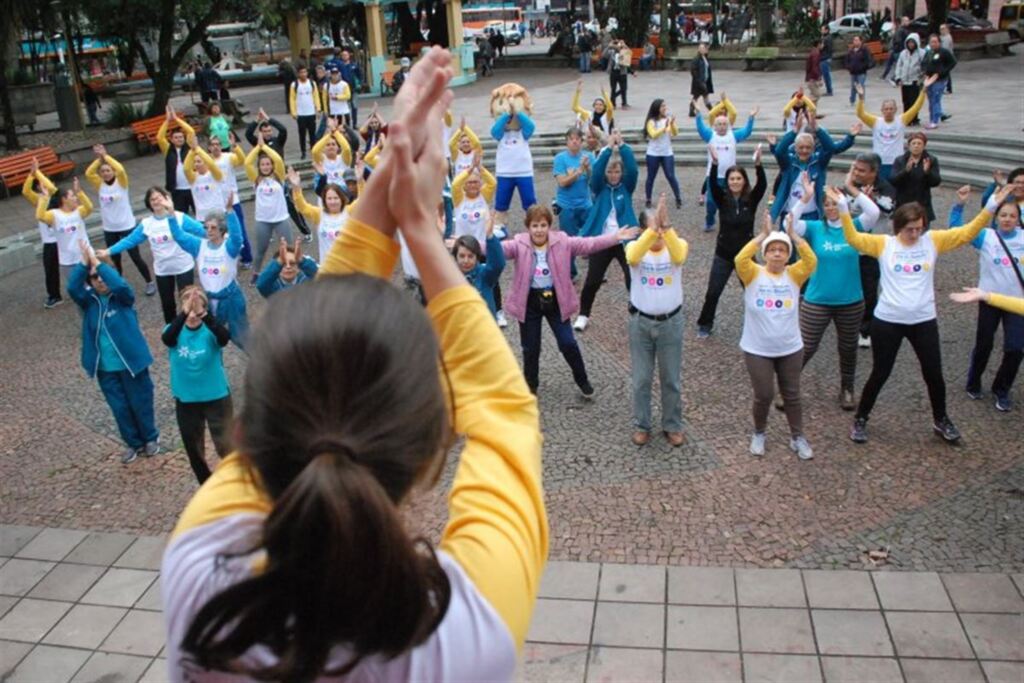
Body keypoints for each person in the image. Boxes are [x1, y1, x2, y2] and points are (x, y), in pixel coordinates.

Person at [161, 48, 546, 682]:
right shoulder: (460, 638)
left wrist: (390, 183)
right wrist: (420, 224)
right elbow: (507, 413)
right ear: (431, 460)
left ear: (242, 443)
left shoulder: (201, 579)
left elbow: (502, 416)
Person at [836, 185, 1010, 444]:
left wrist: (990, 208)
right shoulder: (884, 244)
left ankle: (941, 419)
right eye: (910, 229)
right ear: (898, 226)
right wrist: (842, 209)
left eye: (919, 228)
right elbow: (853, 239)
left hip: (923, 320)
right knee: (880, 372)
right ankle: (861, 417)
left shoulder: (933, 241)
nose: (915, 233)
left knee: (934, 373)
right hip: (888, 321)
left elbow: (967, 233)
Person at [503, 204, 639, 395]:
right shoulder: (519, 244)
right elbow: (495, 251)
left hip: (555, 299)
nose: (539, 230)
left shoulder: (562, 242)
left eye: (543, 225)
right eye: (535, 226)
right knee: (531, 347)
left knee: (567, 342)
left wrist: (614, 237)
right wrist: (466, 243)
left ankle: (582, 380)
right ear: (528, 228)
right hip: (529, 302)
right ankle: (531, 384)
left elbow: (589, 244)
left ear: (549, 226)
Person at [789, 171, 880, 409]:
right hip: (817, 299)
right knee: (806, 346)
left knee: (848, 348)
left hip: (850, 300)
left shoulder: (856, 226)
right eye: (827, 204)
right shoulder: (815, 228)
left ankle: (847, 389)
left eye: (834, 203)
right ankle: (787, 386)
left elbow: (874, 213)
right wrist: (805, 197)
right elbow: (790, 223)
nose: (831, 208)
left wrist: (851, 190)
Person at [735, 214, 818, 459]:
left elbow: (811, 261)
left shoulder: (794, 274)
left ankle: (797, 437)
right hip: (757, 348)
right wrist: (762, 235)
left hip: (790, 347)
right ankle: (759, 432)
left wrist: (794, 236)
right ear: (765, 254)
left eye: (783, 250)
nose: (778, 254)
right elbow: (740, 259)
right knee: (764, 395)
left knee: (792, 394)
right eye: (773, 250)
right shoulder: (753, 274)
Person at [69, 241, 158, 465]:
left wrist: (98, 264)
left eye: (102, 276)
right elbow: (72, 288)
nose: (99, 281)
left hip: (132, 363)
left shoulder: (122, 297)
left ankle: (150, 438)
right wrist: (84, 262)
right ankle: (132, 442)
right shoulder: (89, 302)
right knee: (119, 407)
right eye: (94, 278)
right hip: (105, 367)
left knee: (141, 401)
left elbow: (119, 285)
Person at [950, 186, 1024, 411]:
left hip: (1016, 302)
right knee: (984, 344)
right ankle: (974, 382)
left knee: (1015, 349)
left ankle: (1001, 389)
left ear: (1019, 220)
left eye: (1012, 216)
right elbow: (957, 230)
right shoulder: (986, 237)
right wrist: (959, 205)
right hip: (988, 299)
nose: (1007, 219)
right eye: (1003, 215)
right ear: (996, 217)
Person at [626, 195, 689, 447]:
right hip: (640, 323)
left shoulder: (677, 244)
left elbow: (679, 257)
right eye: (653, 228)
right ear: (642, 230)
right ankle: (642, 424)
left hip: (670, 323)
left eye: (661, 228)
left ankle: (672, 424)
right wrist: (651, 233)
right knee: (641, 379)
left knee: (671, 378)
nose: (659, 233)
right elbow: (632, 258)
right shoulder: (634, 249)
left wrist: (667, 227)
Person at [98, 188, 204, 323]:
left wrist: (221, 235)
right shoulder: (147, 223)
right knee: (167, 304)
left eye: (159, 197)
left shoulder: (180, 217)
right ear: (149, 204)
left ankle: (189, 330)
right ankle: (171, 332)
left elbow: (200, 229)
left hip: (183, 266)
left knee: (187, 302)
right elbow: (130, 240)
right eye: (152, 199)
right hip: (162, 270)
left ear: (167, 198)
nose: (156, 201)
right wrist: (109, 251)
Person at [161, 286, 233, 483]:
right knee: (193, 448)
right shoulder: (173, 331)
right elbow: (167, 339)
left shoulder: (211, 331)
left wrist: (203, 314)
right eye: (189, 310)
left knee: (226, 445)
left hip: (216, 397)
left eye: (197, 311)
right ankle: (206, 484)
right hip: (187, 399)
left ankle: (234, 481)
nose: (193, 315)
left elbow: (225, 338)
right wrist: (184, 313)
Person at [696, 147, 767, 337]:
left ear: (744, 181)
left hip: (747, 255)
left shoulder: (752, 199)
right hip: (724, 254)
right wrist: (715, 164)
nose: (735, 182)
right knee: (713, 292)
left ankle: (760, 323)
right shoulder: (722, 199)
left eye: (738, 178)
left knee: (754, 291)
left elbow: (762, 185)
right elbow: (711, 183)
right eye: (732, 179)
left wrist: (758, 165)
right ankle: (705, 324)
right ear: (727, 182)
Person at [575, 130, 639, 332]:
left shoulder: (627, 187)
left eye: (617, 172)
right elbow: (596, 171)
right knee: (593, 280)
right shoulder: (598, 187)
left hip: (625, 240)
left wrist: (623, 146)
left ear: (621, 173)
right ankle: (583, 314)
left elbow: (634, 170)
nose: (613, 175)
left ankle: (637, 310)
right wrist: (608, 149)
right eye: (610, 172)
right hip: (603, 240)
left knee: (633, 278)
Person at [167, 205, 249, 350]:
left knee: (241, 338)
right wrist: (171, 215)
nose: (209, 231)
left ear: (222, 230)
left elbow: (237, 238)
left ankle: (264, 363)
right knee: (211, 338)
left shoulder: (229, 247)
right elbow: (179, 236)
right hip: (209, 300)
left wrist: (230, 213)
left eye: (213, 227)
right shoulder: (199, 245)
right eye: (206, 227)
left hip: (231, 300)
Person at [84, 145, 156, 294]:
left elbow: (121, 170)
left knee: (135, 257)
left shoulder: (121, 182)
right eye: (103, 171)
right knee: (114, 259)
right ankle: (118, 284)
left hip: (126, 226)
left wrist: (106, 156)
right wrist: (99, 160)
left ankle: (149, 281)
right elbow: (88, 173)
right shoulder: (100, 185)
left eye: (108, 170)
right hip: (110, 228)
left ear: (113, 171)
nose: (105, 174)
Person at [769, 119, 859, 224]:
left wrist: (818, 130)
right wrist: (793, 133)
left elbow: (830, 149)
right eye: (801, 147)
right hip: (789, 214)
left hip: (812, 216)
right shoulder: (788, 164)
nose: (804, 150)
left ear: (813, 149)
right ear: (795, 148)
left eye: (808, 147)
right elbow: (779, 152)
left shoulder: (819, 163)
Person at [854, 75, 932, 179]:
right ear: (882, 110)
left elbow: (916, 107)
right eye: (886, 109)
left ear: (895, 110)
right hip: (879, 162)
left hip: (897, 161)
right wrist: (861, 98)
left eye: (891, 109)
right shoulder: (875, 122)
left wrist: (924, 90)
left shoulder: (902, 120)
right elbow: (860, 114)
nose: (888, 111)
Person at [697, 98, 757, 232]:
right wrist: (698, 114)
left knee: (731, 201)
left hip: (730, 177)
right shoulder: (710, 135)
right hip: (713, 176)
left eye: (725, 123)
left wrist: (751, 118)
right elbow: (700, 128)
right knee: (711, 202)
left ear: (728, 125)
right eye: (719, 124)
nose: (722, 126)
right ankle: (710, 220)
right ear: (715, 125)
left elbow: (746, 131)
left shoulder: (733, 135)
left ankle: (730, 222)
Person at [246, 132, 293, 275]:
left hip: (281, 219)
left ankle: (291, 270)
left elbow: (278, 159)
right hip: (263, 220)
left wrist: (264, 147)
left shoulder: (279, 176)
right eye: (262, 164)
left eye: (268, 164)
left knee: (288, 248)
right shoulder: (256, 179)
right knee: (261, 250)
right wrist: (257, 148)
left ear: (272, 166)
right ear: (259, 167)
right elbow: (247, 162)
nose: (265, 167)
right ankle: (256, 273)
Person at [289, 167, 357, 265]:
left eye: (335, 198)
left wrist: (360, 181)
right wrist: (296, 187)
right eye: (329, 198)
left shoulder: (349, 211)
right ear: (324, 200)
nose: (332, 201)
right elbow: (302, 207)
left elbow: (364, 199)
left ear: (342, 199)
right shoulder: (319, 214)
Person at [553, 127, 595, 281]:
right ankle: (571, 273)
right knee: (568, 241)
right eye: (572, 139)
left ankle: (596, 272)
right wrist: (579, 171)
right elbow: (562, 182)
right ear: (567, 141)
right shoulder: (560, 159)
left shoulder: (589, 156)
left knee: (593, 239)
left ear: (582, 141)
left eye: (578, 139)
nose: (575, 141)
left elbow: (595, 180)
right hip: (566, 206)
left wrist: (588, 168)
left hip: (586, 205)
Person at [207, 131, 253, 268]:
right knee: (221, 232)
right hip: (215, 203)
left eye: (218, 144)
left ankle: (247, 258)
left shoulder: (228, 157)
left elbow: (242, 160)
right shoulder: (206, 160)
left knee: (239, 230)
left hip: (232, 201)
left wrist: (235, 146)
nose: (215, 147)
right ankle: (225, 257)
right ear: (209, 147)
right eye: (213, 145)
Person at [490, 94, 537, 227]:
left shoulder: (523, 133)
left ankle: (533, 228)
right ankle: (499, 229)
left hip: (524, 172)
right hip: (504, 173)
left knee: (530, 205)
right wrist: (507, 114)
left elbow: (531, 126)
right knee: (501, 205)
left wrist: (517, 112)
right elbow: (494, 131)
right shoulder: (501, 134)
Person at [23, 161, 64, 308]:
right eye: (40, 185)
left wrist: (38, 173)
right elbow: (26, 192)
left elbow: (53, 189)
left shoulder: (57, 198)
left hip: (62, 239)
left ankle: (88, 286)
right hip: (49, 242)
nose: (43, 186)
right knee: (50, 269)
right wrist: (31, 174)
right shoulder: (39, 199)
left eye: (45, 183)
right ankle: (54, 295)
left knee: (75, 264)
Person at [36, 177, 93, 277]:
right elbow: (40, 216)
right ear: (64, 199)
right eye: (72, 196)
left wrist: (79, 192)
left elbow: (89, 207)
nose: (75, 198)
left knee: (94, 284)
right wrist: (44, 198)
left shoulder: (79, 211)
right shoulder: (54, 214)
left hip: (86, 256)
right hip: (68, 261)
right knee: (75, 289)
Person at [452, 218, 506, 318]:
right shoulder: (450, 278)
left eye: (470, 256)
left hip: (485, 330)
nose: (466, 260)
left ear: (477, 257)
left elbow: (497, 264)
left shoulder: (484, 275)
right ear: (456, 256)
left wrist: (490, 237)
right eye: (462, 256)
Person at [890, 132, 942, 223]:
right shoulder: (900, 160)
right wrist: (905, 171)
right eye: (913, 143)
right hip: (903, 202)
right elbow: (893, 180)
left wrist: (927, 172)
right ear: (909, 146)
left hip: (922, 202)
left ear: (924, 146)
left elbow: (936, 182)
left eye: (919, 143)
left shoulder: (931, 160)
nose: (916, 146)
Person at [643, 99, 682, 210]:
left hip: (667, 152)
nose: (665, 108)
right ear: (657, 108)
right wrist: (664, 128)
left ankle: (678, 197)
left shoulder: (668, 120)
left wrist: (672, 124)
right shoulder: (651, 121)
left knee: (670, 175)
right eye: (662, 106)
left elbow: (675, 133)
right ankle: (648, 199)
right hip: (653, 153)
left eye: (665, 106)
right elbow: (653, 134)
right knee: (651, 176)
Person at [158, 106, 197, 215]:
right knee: (181, 216)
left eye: (181, 137)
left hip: (192, 187)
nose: (179, 139)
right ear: (171, 140)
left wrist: (176, 119)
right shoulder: (168, 149)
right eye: (176, 137)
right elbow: (160, 138)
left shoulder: (189, 147)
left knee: (198, 213)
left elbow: (191, 132)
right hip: (177, 190)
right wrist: (167, 120)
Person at [182, 134, 225, 221]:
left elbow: (212, 164)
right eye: (194, 162)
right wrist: (192, 151)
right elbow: (186, 169)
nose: (196, 164)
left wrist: (197, 148)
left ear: (205, 162)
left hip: (218, 216)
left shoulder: (215, 175)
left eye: (199, 161)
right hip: (202, 218)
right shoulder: (193, 178)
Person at [922, 33, 956, 129]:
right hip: (929, 79)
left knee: (935, 99)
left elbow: (953, 62)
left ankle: (934, 121)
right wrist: (925, 72)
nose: (933, 44)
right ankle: (932, 118)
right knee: (931, 100)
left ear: (939, 42)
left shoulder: (944, 52)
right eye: (931, 42)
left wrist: (943, 71)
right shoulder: (928, 52)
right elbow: (924, 63)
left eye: (935, 42)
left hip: (940, 79)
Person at [892, 33, 926, 128]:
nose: (911, 45)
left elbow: (924, 66)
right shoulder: (903, 53)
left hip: (915, 80)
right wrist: (898, 77)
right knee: (905, 100)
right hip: (904, 80)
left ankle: (914, 118)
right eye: (909, 43)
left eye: (912, 42)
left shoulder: (922, 53)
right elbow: (899, 65)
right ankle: (906, 118)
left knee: (913, 101)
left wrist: (921, 76)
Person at [289, 65, 322, 159]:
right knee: (302, 134)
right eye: (301, 72)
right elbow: (292, 99)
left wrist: (318, 109)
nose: (303, 74)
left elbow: (316, 96)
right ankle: (303, 151)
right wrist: (293, 112)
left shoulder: (312, 83)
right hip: (300, 113)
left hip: (311, 112)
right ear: (298, 74)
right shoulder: (294, 85)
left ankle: (313, 150)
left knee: (312, 133)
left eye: (305, 72)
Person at [311, 118, 354, 190]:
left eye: (333, 144)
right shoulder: (321, 160)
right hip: (326, 195)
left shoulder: (344, 159)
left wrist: (334, 131)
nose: (331, 146)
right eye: (328, 145)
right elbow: (315, 151)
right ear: (323, 149)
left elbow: (346, 148)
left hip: (342, 194)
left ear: (338, 147)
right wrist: (329, 134)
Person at [843, 35, 873, 107]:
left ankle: (861, 101)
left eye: (857, 40)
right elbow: (847, 60)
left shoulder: (864, 50)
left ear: (860, 41)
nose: (855, 42)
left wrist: (864, 67)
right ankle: (852, 100)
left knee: (860, 86)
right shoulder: (851, 50)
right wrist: (848, 67)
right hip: (853, 72)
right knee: (853, 86)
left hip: (861, 72)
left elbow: (868, 60)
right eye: (854, 40)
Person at [338, 48, 363, 126]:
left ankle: (355, 124)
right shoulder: (340, 66)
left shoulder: (354, 65)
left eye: (346, 55)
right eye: (343, 55)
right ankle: (347, 124)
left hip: (354, 89)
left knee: (354, 106)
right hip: (344, 90)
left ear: (349, 56)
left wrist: (360, 83)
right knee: (345, 108)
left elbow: (360, 75)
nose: (344, 56)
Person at [882, 16, 910, 82]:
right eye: (906, 21)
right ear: (903, 22)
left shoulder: (902, 30)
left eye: (908, 21)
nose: (908, 22)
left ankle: (885, 76)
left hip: (895, 50)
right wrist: (902, 49)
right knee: (900, 64)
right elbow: (899, 40)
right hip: (898, 50)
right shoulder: (901, 30)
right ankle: (894, 77)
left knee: (891, 64)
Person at [689, 42, 713, 117]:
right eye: (701, 48)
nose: (703, 50)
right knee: (702, 95)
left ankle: (692, 110)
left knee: (699, 96)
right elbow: (693, 70)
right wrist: (698, 80)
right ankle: (712, 110)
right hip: (699, 82)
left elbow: (707, 69)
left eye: (704, 48)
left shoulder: (705, 58)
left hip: (704, 81)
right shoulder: (696, 59)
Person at [804, 39, 824, 106]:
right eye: (822, 44)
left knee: (813, 95)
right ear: (818, 44)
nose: (823, 45)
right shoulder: (816, 53)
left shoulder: (814, 52)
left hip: (811, 77)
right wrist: (818, 77)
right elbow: (814, 66)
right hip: (812, 78)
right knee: (817, 94)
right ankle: (805, 104)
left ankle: (813, 111)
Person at [820, 25, 834, 97]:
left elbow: (821, 48)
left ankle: (829, 91)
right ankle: (829, 90)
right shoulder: (829, 37)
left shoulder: (826, 38)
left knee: (826, 76)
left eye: (822, 29)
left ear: (827, 30)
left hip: (824, 58)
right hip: (826, 58)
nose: (821, 31)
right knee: (826, 75)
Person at [940, 24, 955, 94]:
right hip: (943, 57)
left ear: (946, 29)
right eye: (940, 29)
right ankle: (946, 87)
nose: (941, 30)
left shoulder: (947, 37)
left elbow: (945, 49)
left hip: (946, 57)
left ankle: (948, 88)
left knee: (946, 73)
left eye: (943, 29)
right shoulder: (942, 37)